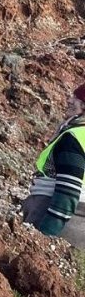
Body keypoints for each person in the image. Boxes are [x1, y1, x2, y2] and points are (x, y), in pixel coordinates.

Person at [22, 81, 85, 248]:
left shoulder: (74, 138)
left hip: (59, 218)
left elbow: (68, 191)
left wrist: (45, 237)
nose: (70, 101)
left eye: (77, 98)